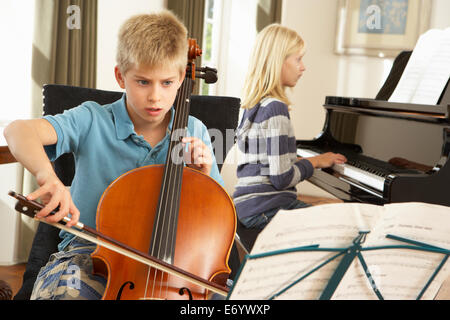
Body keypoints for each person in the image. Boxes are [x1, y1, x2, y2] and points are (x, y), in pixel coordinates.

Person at [4, 10, 224, 300]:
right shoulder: (92, 119)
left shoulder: (194, 130)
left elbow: (218, 226)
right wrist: (50, 177)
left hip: (174, 266)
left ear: (183, 77)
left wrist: (202, 178)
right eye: (143, 82)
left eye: (167, 83)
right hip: (87, 255)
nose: (155, 96)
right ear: (121, 76)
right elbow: (18, 131)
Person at [233, 24, 347, 230]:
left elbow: (268, 162)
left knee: (330, 207)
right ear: (279, 62)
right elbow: (281, 178)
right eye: (298, 59)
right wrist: (316, 161)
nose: (303, 67)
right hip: (266, 209)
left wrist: (305, 161)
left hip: (247, 206)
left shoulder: (254, 105)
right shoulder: (276, 108)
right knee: (338, 223)